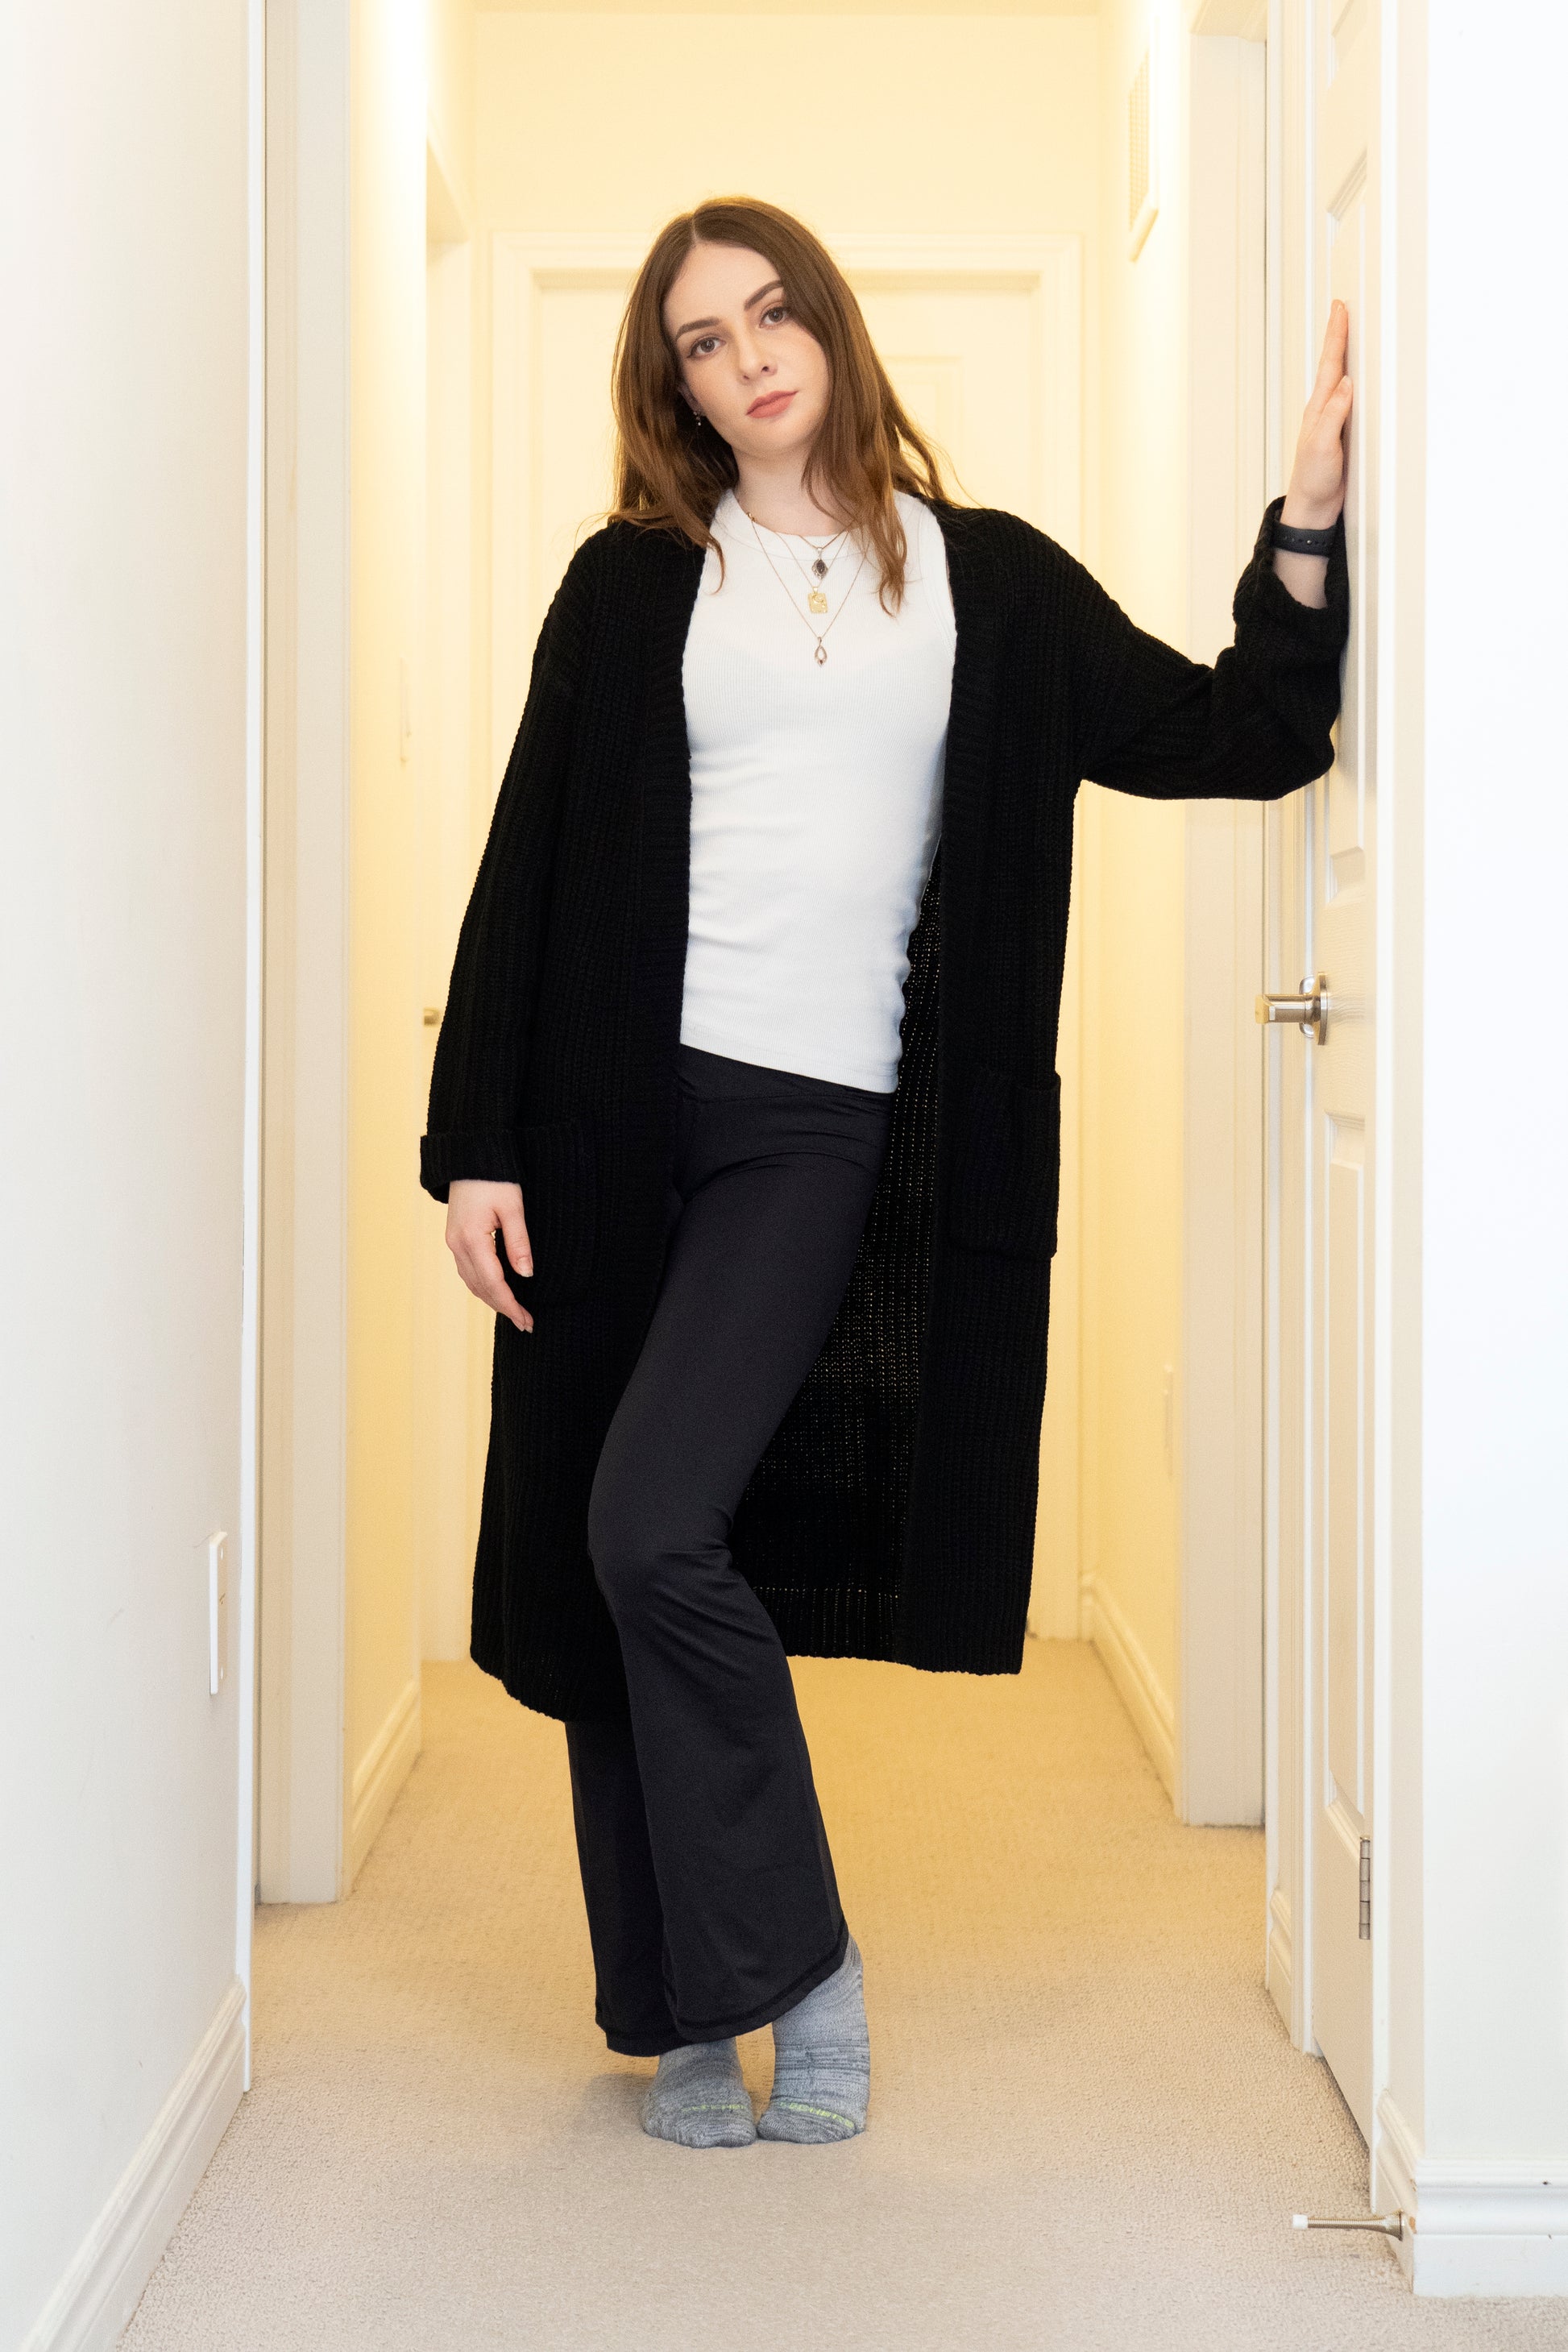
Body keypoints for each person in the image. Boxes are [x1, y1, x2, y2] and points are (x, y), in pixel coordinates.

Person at [421, 197, 1351, 2152]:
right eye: (702, 340)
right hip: (610, 1117)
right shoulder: (631, 582)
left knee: (653, 1522)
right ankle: (685, 2003)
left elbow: (1242, 731)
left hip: (815, 1122)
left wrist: (1306, 520)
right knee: (610, 1550)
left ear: (831, 328)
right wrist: (476, 1144)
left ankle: (801, 1960)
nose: (748, 357)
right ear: (673, 384)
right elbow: (527, 861)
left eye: (772, 315)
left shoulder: (985, 585)